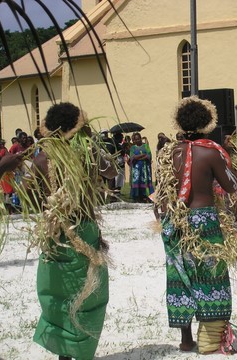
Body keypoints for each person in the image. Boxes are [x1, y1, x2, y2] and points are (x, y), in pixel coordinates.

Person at [156, 96, 237, 354]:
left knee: (180, 276)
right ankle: (209, 341)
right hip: (203, 219)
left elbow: (161, 193)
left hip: (174, 220)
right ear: (208, 122)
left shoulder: (168, 154)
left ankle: (186, 340)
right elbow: (231, 185)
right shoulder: (210, 152)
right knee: (210, 275)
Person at [26, 102, 117, 360]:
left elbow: (30, 196)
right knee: (90, 294)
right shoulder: (88, 154)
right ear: (79, 128)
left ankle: (64, 352)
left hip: (55, 234)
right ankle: (81, 349)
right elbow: (111, 171)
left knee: (58, 292)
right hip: (85, 230)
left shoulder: (42, 158)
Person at [129, 132, 154, 202]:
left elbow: (149, 156)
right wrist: (142, 155)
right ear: (134, 140)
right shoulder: (133, 148)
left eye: (138, 139)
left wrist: (138, 157)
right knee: (137, 181)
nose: (137, 140)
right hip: (136, 169)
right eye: (136, 139)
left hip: (145, 168)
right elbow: (132, 157)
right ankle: (137, 197)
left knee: (146, 181)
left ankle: (148, 197)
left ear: (141, 138)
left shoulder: (146, 146)